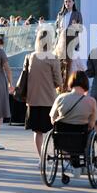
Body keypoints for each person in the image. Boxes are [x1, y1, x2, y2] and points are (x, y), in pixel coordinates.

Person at [24, 29, 63, 165]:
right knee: (54, 130)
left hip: (33, 99)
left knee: (37, 131)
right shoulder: (53, 58)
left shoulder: (30, 57)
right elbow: (58, 81)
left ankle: (42, 157)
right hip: (49, 100)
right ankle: (53, 155)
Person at [50, 71, 97, 176]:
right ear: (86, 83)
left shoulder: (60, 98)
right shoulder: (91, 101)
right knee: (90, 132)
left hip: (62, 140)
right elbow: (92, 124)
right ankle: (86, 165)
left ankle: (73, 165)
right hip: (81, 140)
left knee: (64, 131)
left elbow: (53, 119)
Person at [55, 0, 83, 90]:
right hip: (61, 43)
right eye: (66, 2)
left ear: (73, 3)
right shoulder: (60, 14)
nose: (67, 3)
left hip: (71, 42)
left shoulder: (77, 14)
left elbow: (81, 29)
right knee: (60, 64)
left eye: (69, 1)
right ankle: (60, 85)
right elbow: (57, 28)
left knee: (70, 65)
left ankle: (68, 85)